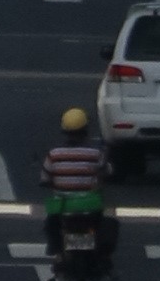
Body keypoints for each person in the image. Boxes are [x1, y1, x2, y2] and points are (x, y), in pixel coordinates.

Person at [40, 105, 109, 264]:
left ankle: (57, 251)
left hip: (62, 204)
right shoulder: (95, 154)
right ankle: (99, 253)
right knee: (101, 223)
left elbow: (45, 177)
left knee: (51, 223)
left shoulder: (54, 155)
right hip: (89, 203)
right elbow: (105, 171)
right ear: (85, 130)